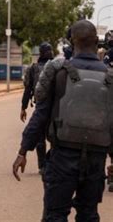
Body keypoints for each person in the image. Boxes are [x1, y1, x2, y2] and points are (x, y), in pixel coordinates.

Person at [12, 20, 113, 221]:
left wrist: (23, 150)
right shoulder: (110, 77)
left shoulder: (58, 72)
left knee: (55, 215)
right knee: (89, 214)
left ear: (71, 41)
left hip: (62, 158)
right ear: (96, 42)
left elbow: (40, 115)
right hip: (95, 160)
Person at [20, 42, 54, 175]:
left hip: (41, 108)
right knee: (54, 139)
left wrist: (23, 108)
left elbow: (27, 90)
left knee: (40, 139)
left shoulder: (33, 68)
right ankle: (47, 164)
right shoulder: (57, 67)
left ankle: (43, 166)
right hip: (55, 108)